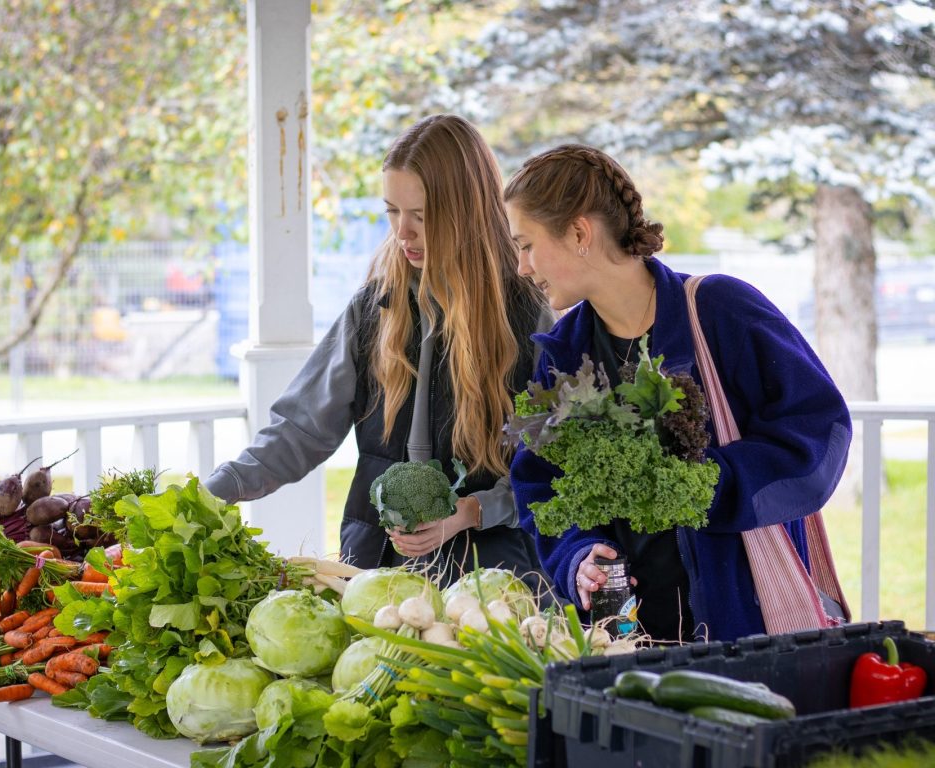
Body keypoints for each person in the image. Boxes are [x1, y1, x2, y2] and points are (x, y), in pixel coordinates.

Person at [504, 144, 851, 642]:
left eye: (526, 245)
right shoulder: (562, 352)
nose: (521, 266)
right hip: (627, 636)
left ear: (579, 233)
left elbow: (821, 429)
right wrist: (578, 557)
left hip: (745, 624)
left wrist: (710, 485)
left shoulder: (719, 309)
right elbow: (540, 487)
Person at [204, 114, 554, 584]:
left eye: (422, 215)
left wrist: (471, 511)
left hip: (494, 579)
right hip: (374, 568)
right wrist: (210, 493)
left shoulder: (529, 313)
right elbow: (299, 430)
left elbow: (551, 464)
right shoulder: (373, 308)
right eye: (392, 211)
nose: (402, 232)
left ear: (467, 210)